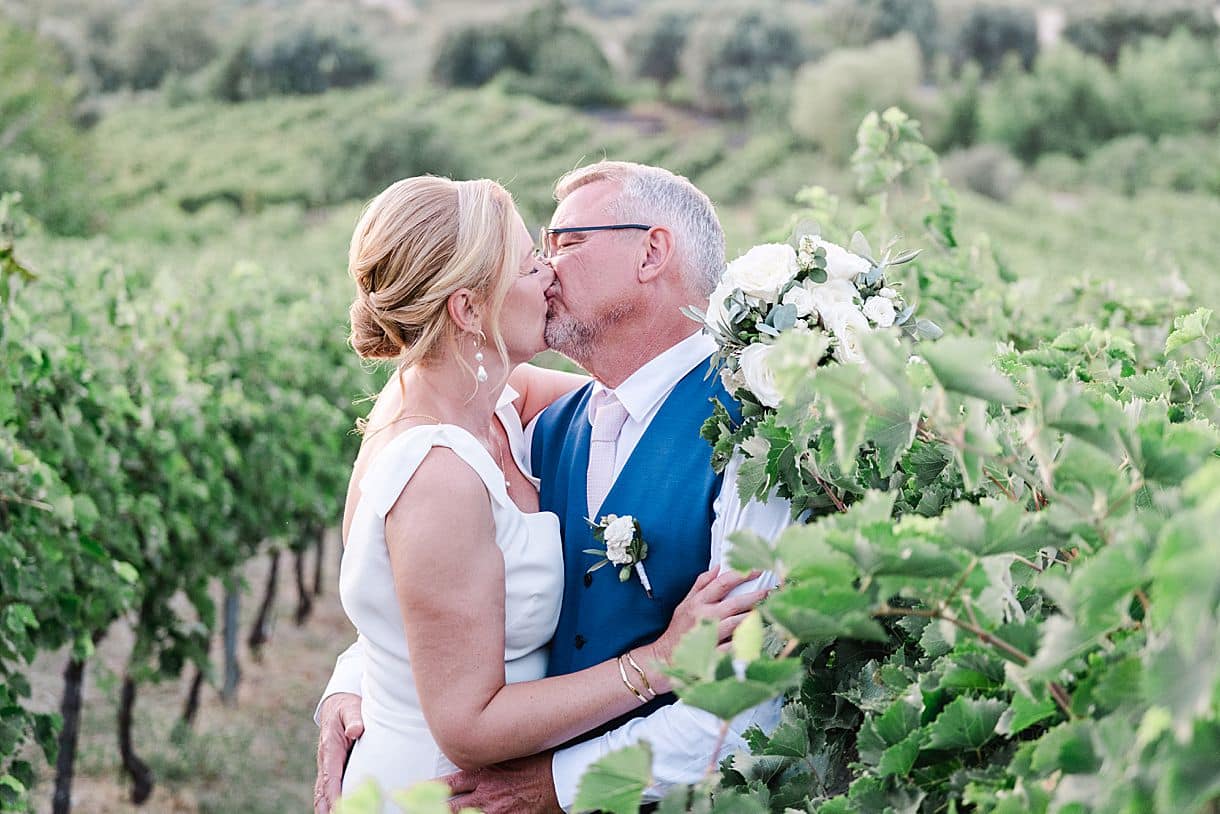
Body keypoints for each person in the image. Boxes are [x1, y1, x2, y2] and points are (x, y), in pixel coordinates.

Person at [316, 163, 793, 813]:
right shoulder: (484, 437)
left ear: (652, 252)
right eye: (531, 256)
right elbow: (425, 584)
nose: (548, 269)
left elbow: (747, 705)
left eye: (565, 243)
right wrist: (358, 681)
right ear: (468, 305)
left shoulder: (749, 440)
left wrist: (559, 785)